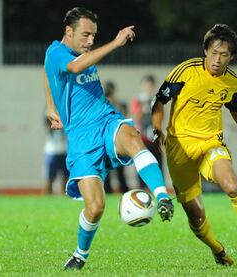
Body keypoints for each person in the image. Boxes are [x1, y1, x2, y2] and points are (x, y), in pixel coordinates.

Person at [43, 7, 174, 270]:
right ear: (69, 32)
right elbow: (71, 67)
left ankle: (162, 196)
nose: (90, 41)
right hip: (80, 138)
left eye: (94, 35)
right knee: (96, 207)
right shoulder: (58, 53)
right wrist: (115, 42)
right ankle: (80, 254)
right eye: (86, 35)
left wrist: (50, 105)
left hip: (106, 120)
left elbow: (49, 74)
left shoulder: (70, 53)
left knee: (135, 140)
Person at [151, 24, 237, 266]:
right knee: (196, 217)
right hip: (179, 149)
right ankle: (218, 249)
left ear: (232, 57)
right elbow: (159, 102)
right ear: (205, 51)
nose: (218, 59)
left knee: (232, 186)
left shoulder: (232, 82)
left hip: (211, 142)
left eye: (224, 55)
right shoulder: (186, 71)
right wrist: (157, 129)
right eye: (214, 52)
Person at [130, 74, 164, 189]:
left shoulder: (157, 99)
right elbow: (135, 117)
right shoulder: (138, 100)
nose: (148, 88)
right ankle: (141, 187)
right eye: (146, 85)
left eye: (150, 86)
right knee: (142, 161)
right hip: (142, 137)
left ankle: (159, 187)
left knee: (158, 163)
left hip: (154, 137)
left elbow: (161, 116)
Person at [103, 81, 129, 193]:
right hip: (105, 142)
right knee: (107, 174)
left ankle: (124, 192)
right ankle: (107, 192)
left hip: (117, 141)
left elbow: (124, 118)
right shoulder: (101, 105)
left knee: (120, 172)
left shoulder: (120, 105)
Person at [43, 112, 69, 195]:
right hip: (52, 152)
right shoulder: (51, 121)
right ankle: (47, 198)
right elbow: (47, 120)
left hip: (65, 151)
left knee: (66, 179)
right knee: (49, 179)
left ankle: (63, 198)